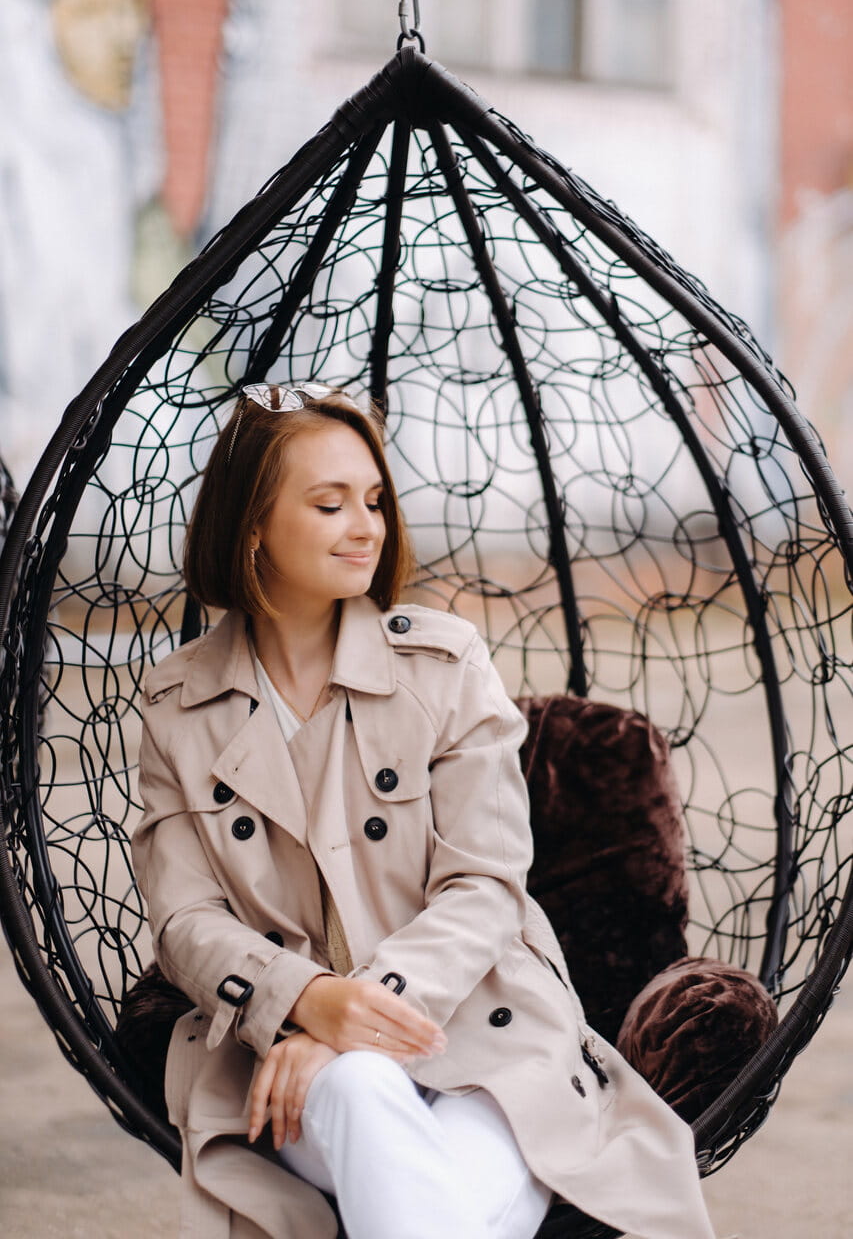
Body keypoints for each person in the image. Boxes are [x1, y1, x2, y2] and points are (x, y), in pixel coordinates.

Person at [131, 382, 717, 1239]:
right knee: (358, 1086)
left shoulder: (442, 667)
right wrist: (304, 1000)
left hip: (482, 1039)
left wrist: (353, 1016)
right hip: (282, 1064)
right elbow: (184, 920)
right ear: (251, 523)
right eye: (329, 504)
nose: (365, 526)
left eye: (373, 501)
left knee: (380, 1119)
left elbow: (485, 884)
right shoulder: (178, 705)